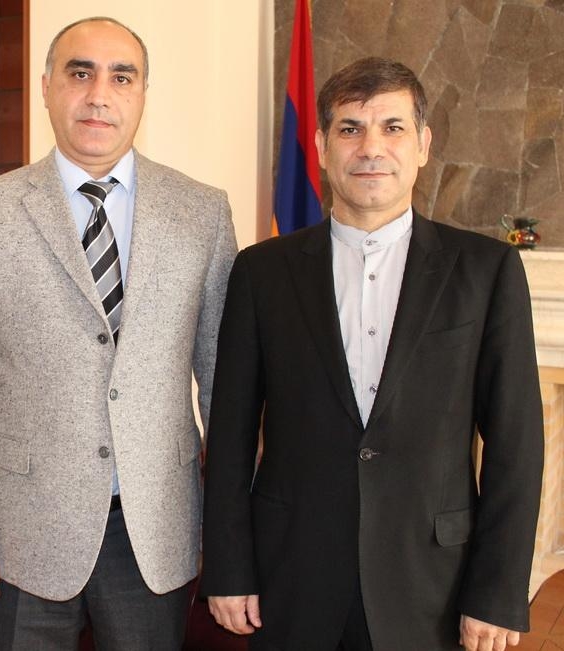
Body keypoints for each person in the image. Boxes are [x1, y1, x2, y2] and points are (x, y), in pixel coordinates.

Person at [200, 57, 543, 651]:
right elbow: (230, 433)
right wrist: (229, 568)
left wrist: (497, 590)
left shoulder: (486, 271)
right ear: (321, 146)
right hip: (293, 575)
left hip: (432, 584)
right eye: (351, 129)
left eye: (393, 127)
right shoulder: (261, 272)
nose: (371, 148)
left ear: (423, 145)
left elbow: (516, 443)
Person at [0, 16, 236, 650]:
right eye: (80, 72)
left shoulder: (203, 212)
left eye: (121, 77)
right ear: (47, 87)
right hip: (24, 529)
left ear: (142, 93)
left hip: (156, 525)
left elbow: (224, 382)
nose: (99, 95)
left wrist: (231, 529)